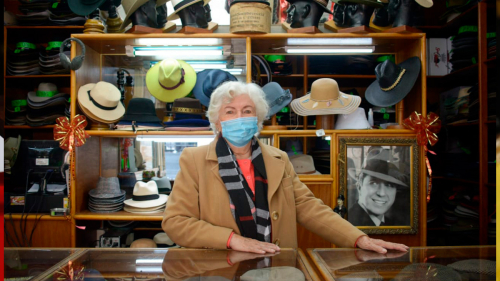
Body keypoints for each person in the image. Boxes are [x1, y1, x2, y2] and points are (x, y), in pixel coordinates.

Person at [162, 81, 408, 254]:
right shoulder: (193, 160)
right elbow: (176, 222)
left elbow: (308, 207)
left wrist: (358, 239)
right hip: (221, 268)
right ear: (217, 120)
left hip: (276, 265)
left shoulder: (278, 159)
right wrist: (231, 240)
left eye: (247, 111)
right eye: (230, 111)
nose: (240, 117)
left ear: (257, 119)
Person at [348, 159, 408, 226]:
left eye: (389, 185)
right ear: (359, 187)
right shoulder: (349, 222)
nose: (382, 193)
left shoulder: (390, 224)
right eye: (373, 183)